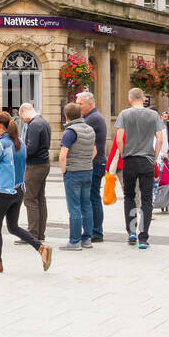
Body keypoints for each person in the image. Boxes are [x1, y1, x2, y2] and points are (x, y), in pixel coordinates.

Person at [0, 112, 52, 273]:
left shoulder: (2, 144)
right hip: (19, 189)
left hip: (4, 190)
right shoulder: (19, 142)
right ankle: (41, 248)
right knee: (13, 226)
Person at [114, 87, 166, 250]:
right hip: (147, 160)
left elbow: (120, 139)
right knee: (146, 198)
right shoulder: (153, 115)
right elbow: (160, 139)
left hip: (130, 159)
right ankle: (143, 237)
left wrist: (123, 153)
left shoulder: (124, 114)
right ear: (143, 99)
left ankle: (131, 231)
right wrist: (154, 155)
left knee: (129, 195)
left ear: (130, 99)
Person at [57, 102, 96, 251]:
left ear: (66, 116)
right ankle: (87, 239)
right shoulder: (90, 129)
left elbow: (62, 156)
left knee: (74, 208)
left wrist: (64, 171)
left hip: (73, 172)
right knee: (87, 205)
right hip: (88, 170)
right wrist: (86, 162)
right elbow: (94, 151)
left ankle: (74, 241)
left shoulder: (70, 132)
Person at [16, 103, 52, 244]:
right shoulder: (43, 121)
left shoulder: (34, 124)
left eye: (22, 118)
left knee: (30, 199)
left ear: (25, 112)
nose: (23, 121)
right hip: (44, 163)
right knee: (39, 198)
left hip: (34, 166)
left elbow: (31, 148)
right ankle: (39, 233)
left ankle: (32, 234)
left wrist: (19, 154)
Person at [77, 92, 108, 243]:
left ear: (90, 103)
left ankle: (96, 231)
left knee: (92, 197)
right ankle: (95, 230)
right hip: (96, 162)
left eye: (80, 103)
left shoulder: (93, 118)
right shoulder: (90, 117)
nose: (78, 106)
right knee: (92, 197)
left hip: (95, 163)